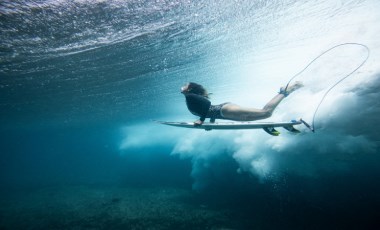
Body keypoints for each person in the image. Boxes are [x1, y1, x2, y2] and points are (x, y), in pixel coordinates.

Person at [181, 82, 303, 126]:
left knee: (266, 113)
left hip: (225, 111)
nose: (183, 86)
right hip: (224, 110)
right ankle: (285, 92)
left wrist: (202, 120)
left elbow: (207, 103)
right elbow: (206, 108)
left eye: (185, 85)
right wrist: (211, 122)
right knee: (262, 115)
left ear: (189, 89)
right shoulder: (191, 97)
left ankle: (286, 90)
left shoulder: (190, 96)